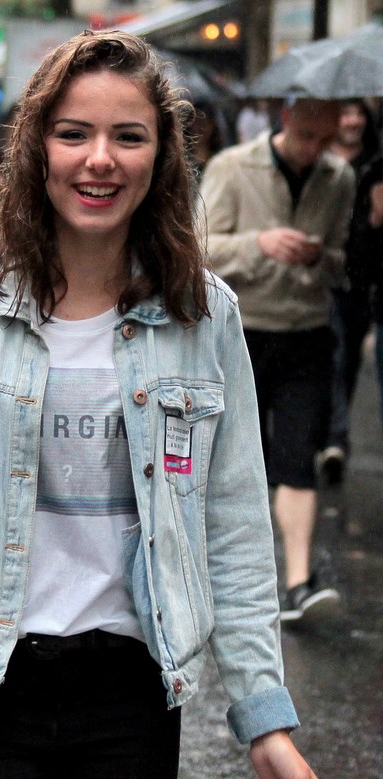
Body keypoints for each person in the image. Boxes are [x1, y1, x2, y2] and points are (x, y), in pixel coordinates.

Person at [0, 30, 318, 779]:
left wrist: (264, 716)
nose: (99, 159)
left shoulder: (202, 313)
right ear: (37, 148)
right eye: (73, 133)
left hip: (132, 692)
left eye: (128, 136)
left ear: (162, 157)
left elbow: (235, 526)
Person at [200, 97, 354, 623]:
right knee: (226, 460)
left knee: (296, 455)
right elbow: (201, 247)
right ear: (285, 122)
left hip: (305, 331)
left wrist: (319, 257)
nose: (315, 151)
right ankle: (213, 578)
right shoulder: (232, 167)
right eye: (307, 136)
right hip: (240, 331)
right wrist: (260, 244)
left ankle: (298, 582)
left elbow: (341, 259)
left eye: (325, 140)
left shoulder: (339, 179)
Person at [319, 99, 382, 483]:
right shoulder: (320, 161)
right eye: (344, 113)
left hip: (365, 277)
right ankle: (335, 439)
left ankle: (332, 435)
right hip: (327, 274)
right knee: (337, 355)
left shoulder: (376, 163)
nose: (352, 120)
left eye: (358, 113)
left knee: (351, 360)